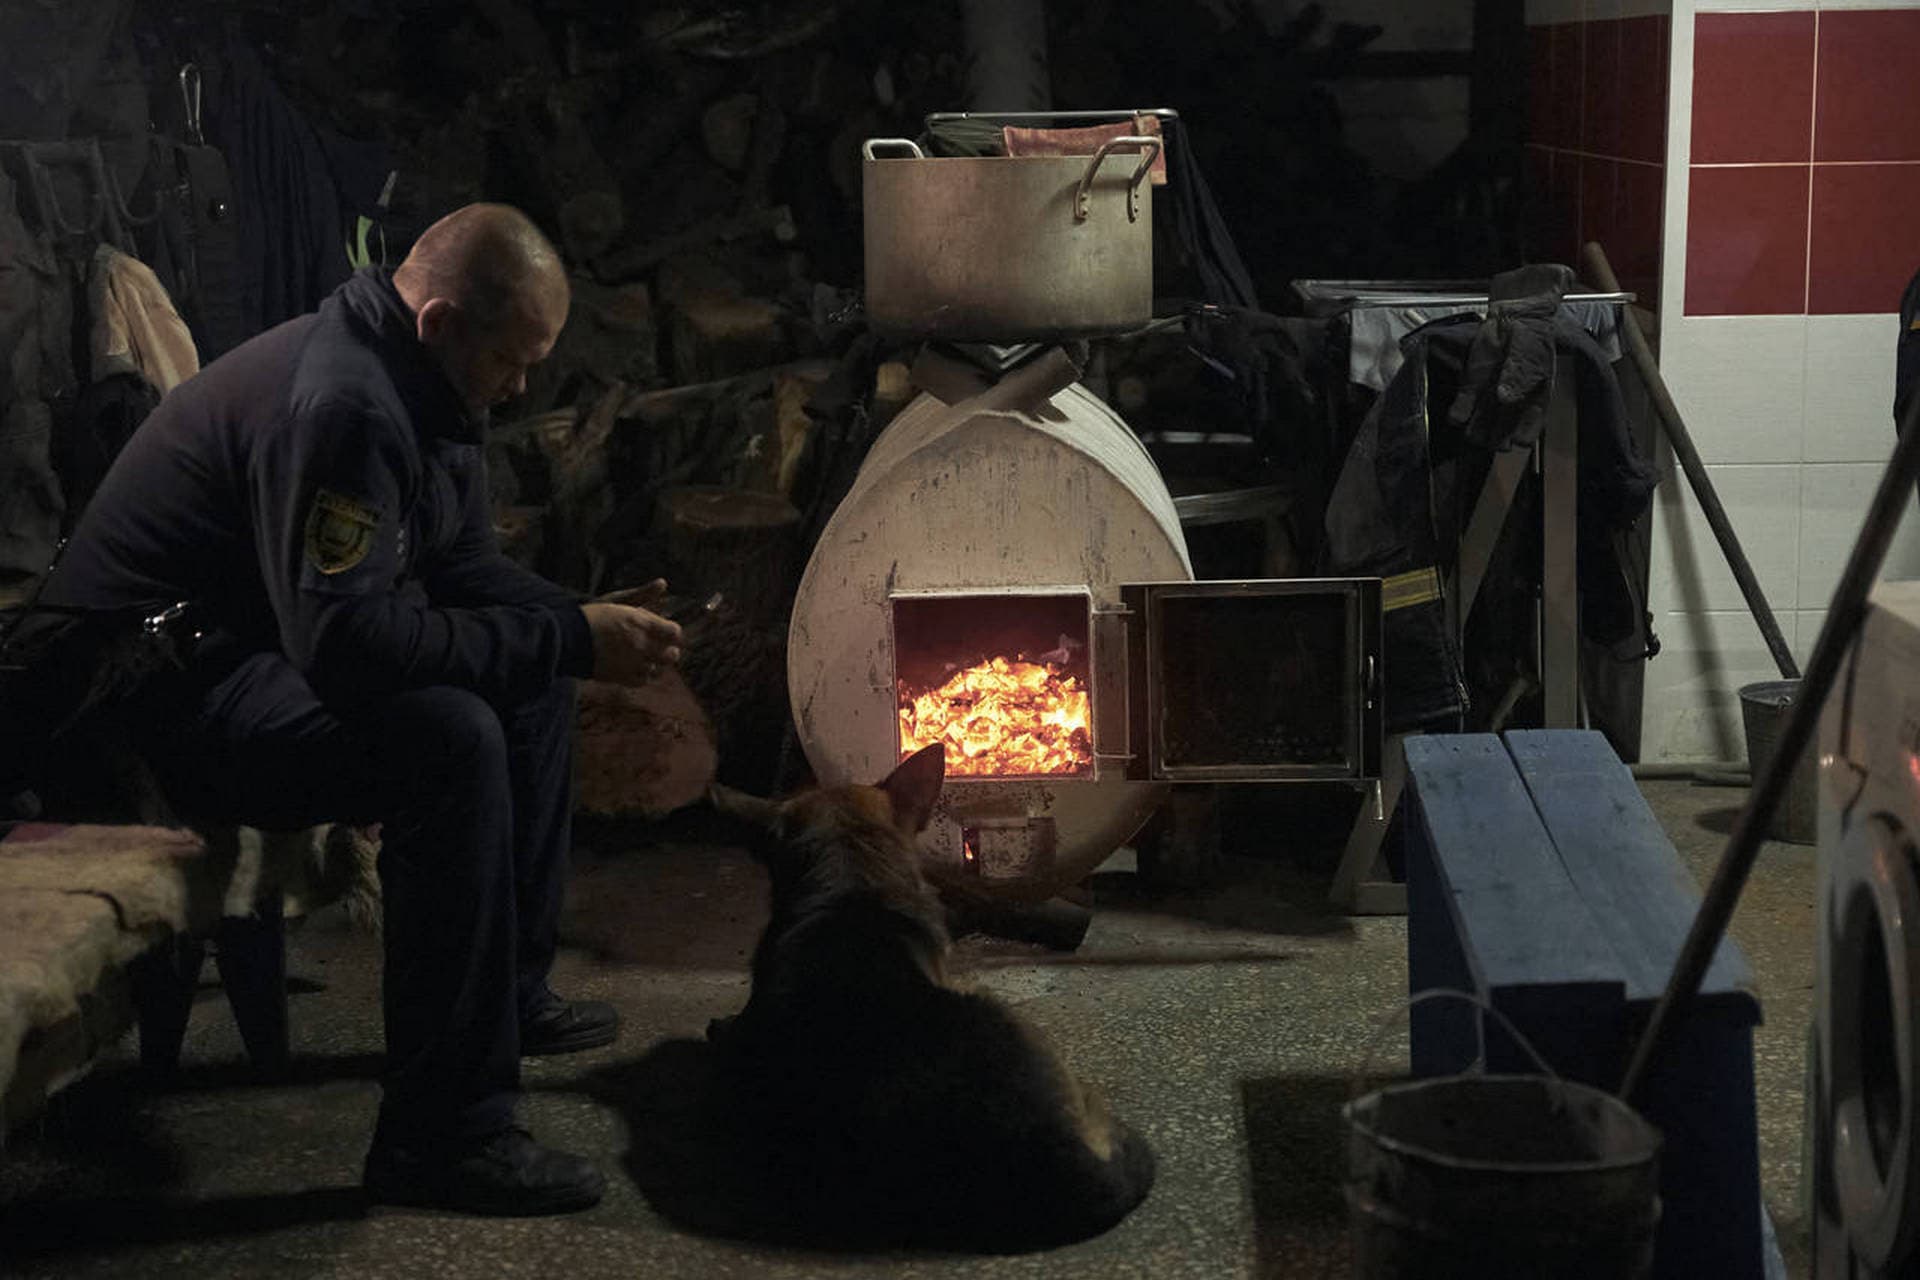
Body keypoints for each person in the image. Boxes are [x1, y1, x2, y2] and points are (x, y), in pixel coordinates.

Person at [37, 203, 682, 1216]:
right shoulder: (347, 406)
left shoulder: (431, 387)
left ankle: (502, 1003)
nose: (520, 388)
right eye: (512, 362)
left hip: (243, 650)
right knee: (449, 739)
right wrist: (566, 635)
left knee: (535, 683)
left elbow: (460, 564)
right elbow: (350, 645)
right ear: (439, 325)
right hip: (141, 701)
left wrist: (579, 624)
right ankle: (444, 1135)